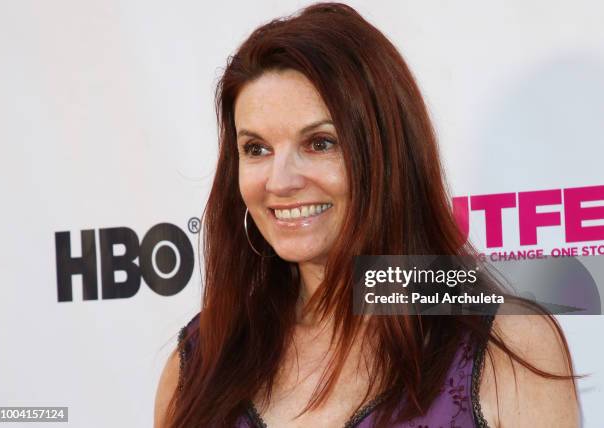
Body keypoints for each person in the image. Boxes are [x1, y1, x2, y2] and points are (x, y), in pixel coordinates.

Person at [154, 3, 580, 427]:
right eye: (256, 149)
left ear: (387, 157)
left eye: (320, 143)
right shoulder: (197, 365)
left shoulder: (505, 345)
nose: (279, 181)